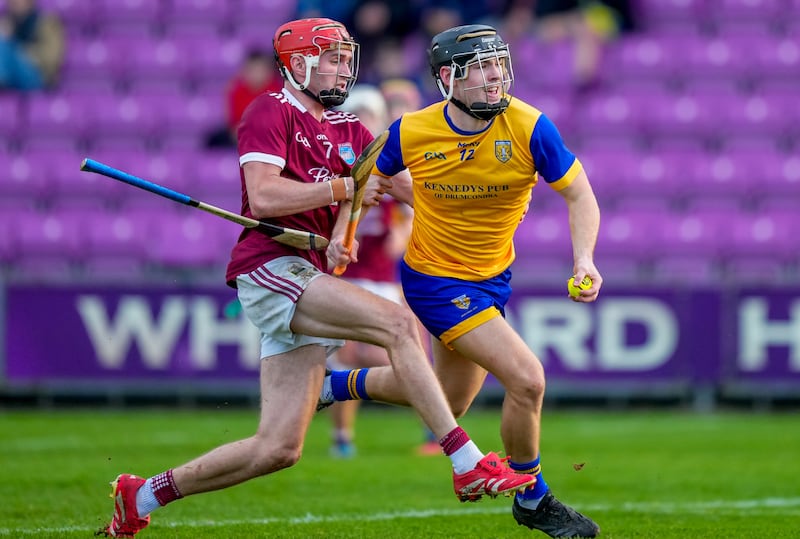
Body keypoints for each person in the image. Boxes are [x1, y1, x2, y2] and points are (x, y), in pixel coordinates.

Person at [97, 18, 536, 538]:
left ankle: (141, 494)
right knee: (396, 325)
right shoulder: (270, 111)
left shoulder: (350, 130)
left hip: (309, 272)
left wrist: (479, 204)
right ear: (298, 63)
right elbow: (264, 197)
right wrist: (343, 191)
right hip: (270, 269)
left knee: (279, 448)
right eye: (332, 58)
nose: (343, 68)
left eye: (347, 59)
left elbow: (406, 190)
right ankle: (465, 462)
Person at [322, 24, 603, 538]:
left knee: (446, 403)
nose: (497, 76)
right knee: (528, 378)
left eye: (500, 63)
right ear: (449, 77)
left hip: (493, 278)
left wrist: (584, 259)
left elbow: (580, 195)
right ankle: (533, 496)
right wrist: (348, 230)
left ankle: (332, 384)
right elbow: (363, 177)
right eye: (483, 67)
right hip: (434, 280)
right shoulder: (412, 131)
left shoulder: (531, 127)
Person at [327, 84, 412, 458]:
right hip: (345, 275)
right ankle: (342, 438)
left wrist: (397, 228)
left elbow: (401, 236)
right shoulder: (334, 167)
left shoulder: (393, 167)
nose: (364, 121)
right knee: (345, 355)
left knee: (397, 357)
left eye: (370, 115)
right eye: (357, 113)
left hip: (381, 277)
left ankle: (433, 429)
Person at [204, 48, 283, 148]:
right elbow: (233, 124)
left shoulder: (278, 89)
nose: (256, 74)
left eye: (259, 70)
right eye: (252, 70)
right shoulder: (236, 90)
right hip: (243, 134)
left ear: (269, 72)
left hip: (270, 135)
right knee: (213, 140)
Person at [0, 0, 65, 91]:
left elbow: (53, 56)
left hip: (37, 75)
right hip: (12, 75)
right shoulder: (7, 23)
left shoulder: (46, 22)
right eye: (13, 2)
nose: (16, 4)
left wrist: (21, 52)